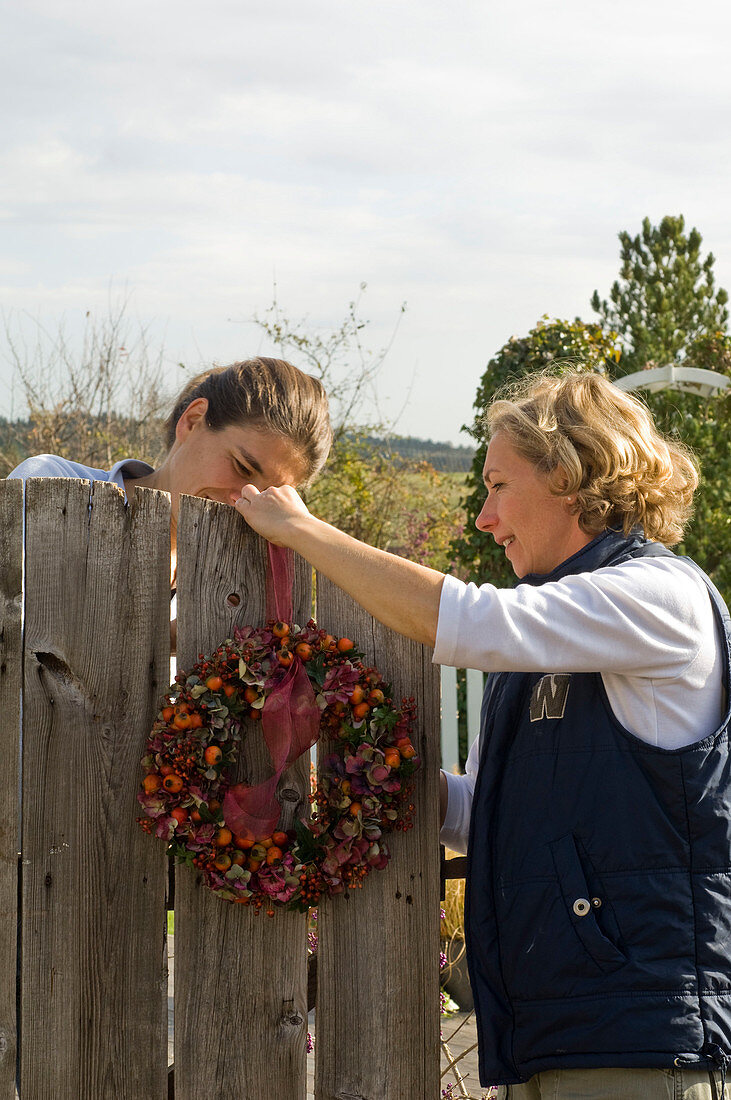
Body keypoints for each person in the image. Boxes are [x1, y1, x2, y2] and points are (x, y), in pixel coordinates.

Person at [232, 369, 731, 1100]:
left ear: (566, 473)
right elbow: (487, 819)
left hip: (639, 1043)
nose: (482, 518)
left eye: (497, 485)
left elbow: (472, 621)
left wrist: (300, 528)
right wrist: (386, 786)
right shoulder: (547, 639)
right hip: (547, 1035)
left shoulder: (658, 596)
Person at [8, 356, 333, 645]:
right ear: (192, 421)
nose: (241, 499)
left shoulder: (238, 581)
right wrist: (164, 638)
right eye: (242, 466)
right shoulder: (52, 484)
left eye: (266, 495)